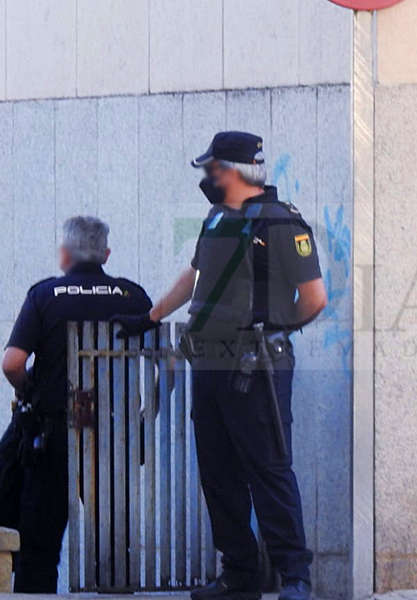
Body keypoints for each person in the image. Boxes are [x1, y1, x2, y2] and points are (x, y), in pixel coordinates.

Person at [114, 132, 327, 600]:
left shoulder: (281, 223)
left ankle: (294, 577)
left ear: (233, 172)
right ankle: (240, 575)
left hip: (257, 368)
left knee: (269, 469)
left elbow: (314, 299)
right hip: (208, 364)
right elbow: (196, 276)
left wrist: (268, 328)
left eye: (211, 170)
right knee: (218, 473)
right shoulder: (216, 218)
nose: (206, 179)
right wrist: (150, 316)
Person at [0, 216, 152, 593]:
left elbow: (12, 364)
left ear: (64, 253)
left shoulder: (44, 295)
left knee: (40, 538)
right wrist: (145, 415)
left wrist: (29, 391)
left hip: (56, 431)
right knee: (114, 534)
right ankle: (114, 590)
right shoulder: (134, 297)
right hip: (116, 431)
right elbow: (163, 360)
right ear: (106, 254)